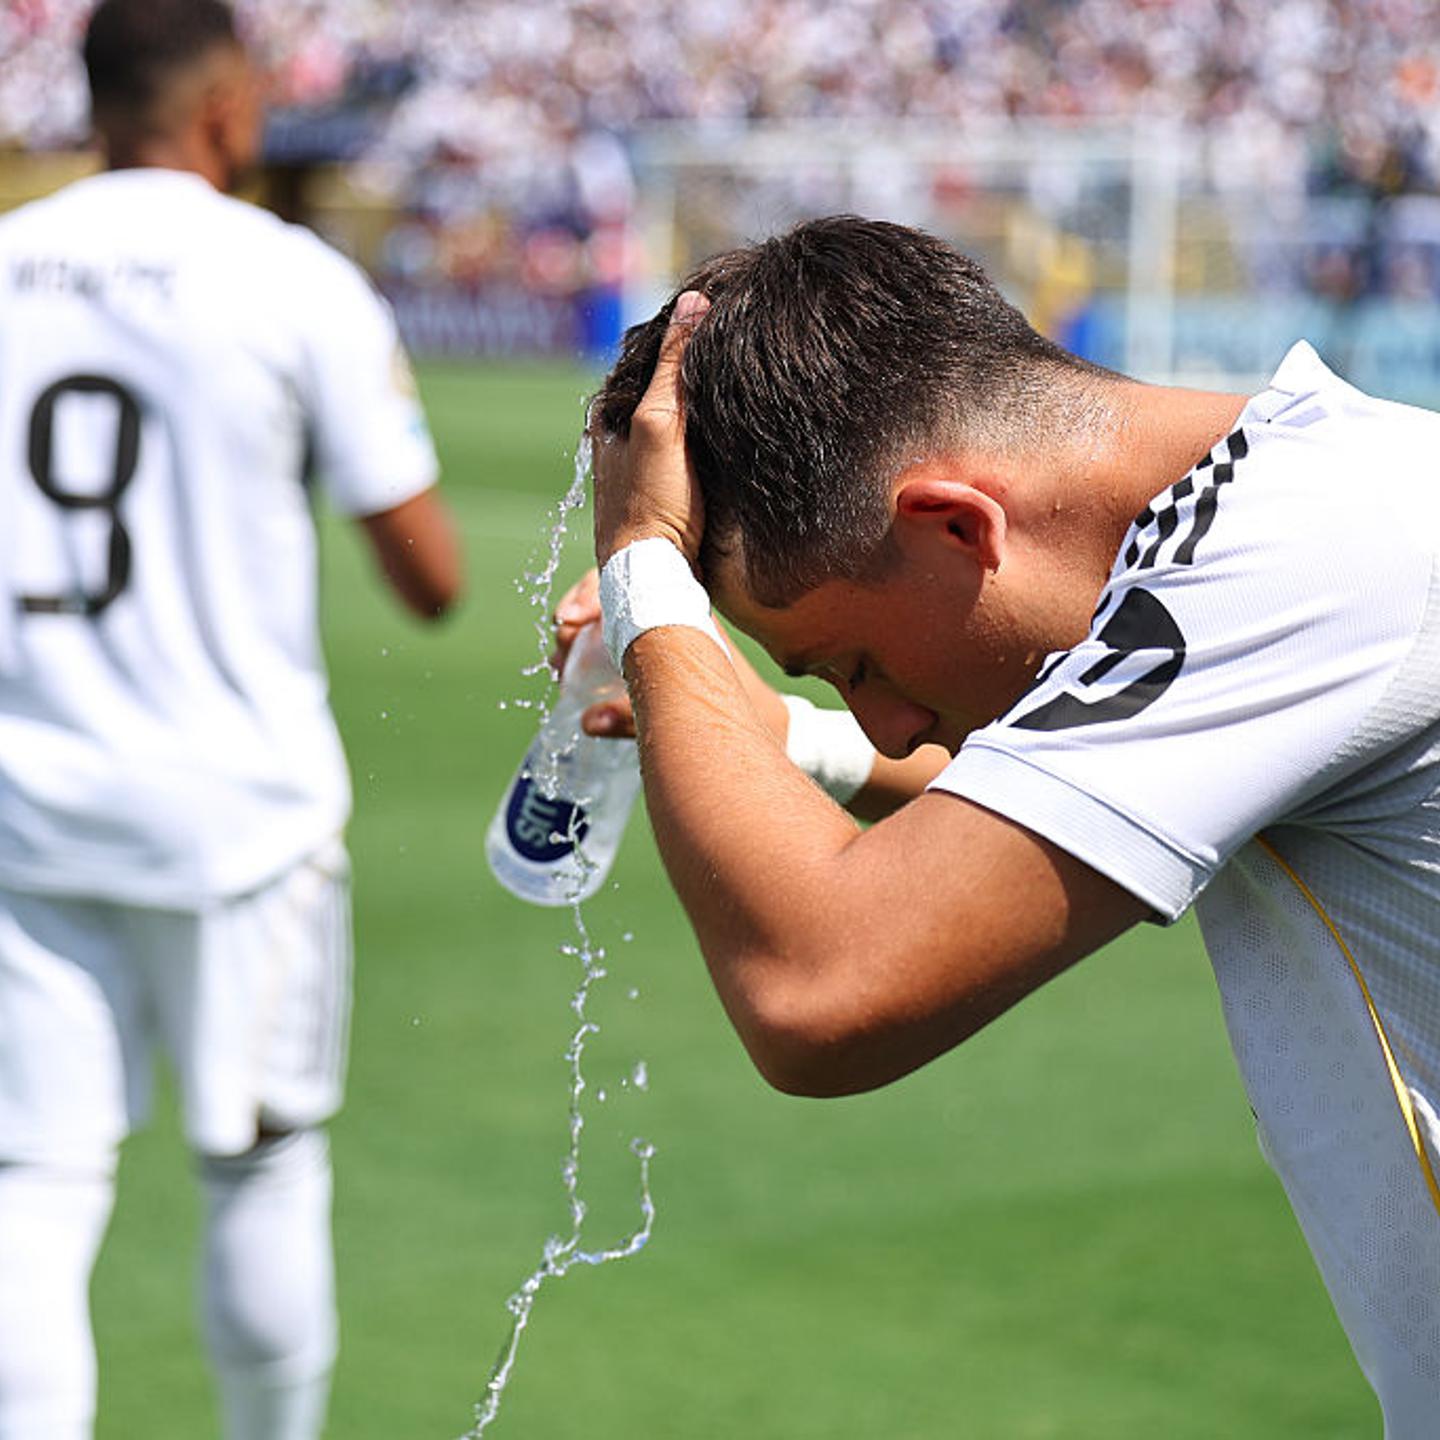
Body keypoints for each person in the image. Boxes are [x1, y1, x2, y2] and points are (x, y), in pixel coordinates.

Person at [562, 216, 1440, 1434]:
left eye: (854, 662)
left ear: (959, 525)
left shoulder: (1300, 557)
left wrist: (643, 570)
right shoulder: (1314, 498)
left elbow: (823, 990)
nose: (894, 724)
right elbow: (1030, 809)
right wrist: (794, 745)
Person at [0, 2, 462, 1437]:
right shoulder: (287, 279)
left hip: (22, 802)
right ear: (225, 107)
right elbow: (429, 575)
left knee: (35, 1186)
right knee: (260, 1165)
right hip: (235, 812)